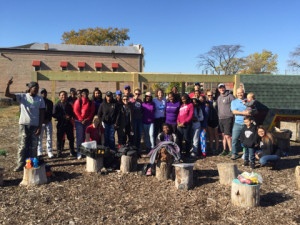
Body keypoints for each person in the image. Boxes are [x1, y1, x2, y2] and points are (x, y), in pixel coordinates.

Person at [5, 79, 45, 172]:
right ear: (30, 88)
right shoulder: (22, 97)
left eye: (37, 88)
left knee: (34, 146)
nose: (36, 90)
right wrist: (8, 85)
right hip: (24, 125)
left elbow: (42, 113)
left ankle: (32, 164)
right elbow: (7, 94)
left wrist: (39, 126)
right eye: (35, 88)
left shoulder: (40, 99)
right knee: (22, 145)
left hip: (35, 126)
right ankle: (20, 164)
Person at [53, 91, 76, 157]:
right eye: (62, 95)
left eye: (65, 95)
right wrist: (62, 116)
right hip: (61, 123)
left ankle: (72, 151)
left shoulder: (69, 105)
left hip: (68, 123)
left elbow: (72, 113)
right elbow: (54, 114)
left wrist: (70, 116)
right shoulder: (57, 105)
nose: (64, 97)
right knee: (59, 138)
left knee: (71, 138)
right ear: (59, 96)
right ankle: (59, 152)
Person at [73, 88, 95, 159]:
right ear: (81, 94)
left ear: (88, 94)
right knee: (80, 137)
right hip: (79, 122)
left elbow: (92, 112)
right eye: (83, 93)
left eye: (86, 93)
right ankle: (79, 152)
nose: (85, 94)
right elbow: (76, 111)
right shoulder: (78, 101)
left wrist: (87, 119)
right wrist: (81, 119)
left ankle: (85, 151)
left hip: (87, 121)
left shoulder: (91, 102)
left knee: (87, 137)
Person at [230, 87, 250, 160]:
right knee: (234, 139)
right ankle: (234, 154)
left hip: (247, 124)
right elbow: (234, 111)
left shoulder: (247, 101)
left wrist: (249, 112)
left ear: (243, 93)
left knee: (247, 139)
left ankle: (246, 154)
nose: (240, 94)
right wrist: (243, 113)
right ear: (236, 94)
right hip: (237, 123)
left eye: (241, 92)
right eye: (238, 93)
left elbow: (252, 109)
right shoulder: (234, 102)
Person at [217, 83, 235, 156]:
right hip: (221, 118)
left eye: (223, 87)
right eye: (220, 88)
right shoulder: (219, 97)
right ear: (218, 89)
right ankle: (224, 150)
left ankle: (231, 150)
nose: (222, 89)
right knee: (223, 135)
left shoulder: (230, 96)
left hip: (228, 117)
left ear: (225, 88)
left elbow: (235, 104)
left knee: (228, 135)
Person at [37, 88, 54, 158]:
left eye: (45, 93)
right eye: (42, 93)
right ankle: (39, 151)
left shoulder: (50, 102)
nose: (44, 94)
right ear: (40, 94)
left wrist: (48, 119)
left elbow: (51, 112)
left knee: (49, 137)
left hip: (48, 122)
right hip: (40, 122)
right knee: (39, 137)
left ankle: (49, 151)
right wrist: (41, 121)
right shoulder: (38, 102)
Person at [206, 90, 219, 155]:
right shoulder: (206, 102)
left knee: (216, 135)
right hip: (209, 120)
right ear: (207, 95)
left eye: (211, 95)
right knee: (210, 135)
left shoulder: (216, 101)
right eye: (209, 95)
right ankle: (211, 148)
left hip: (215, 119)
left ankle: (217, 148)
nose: (210, 96)